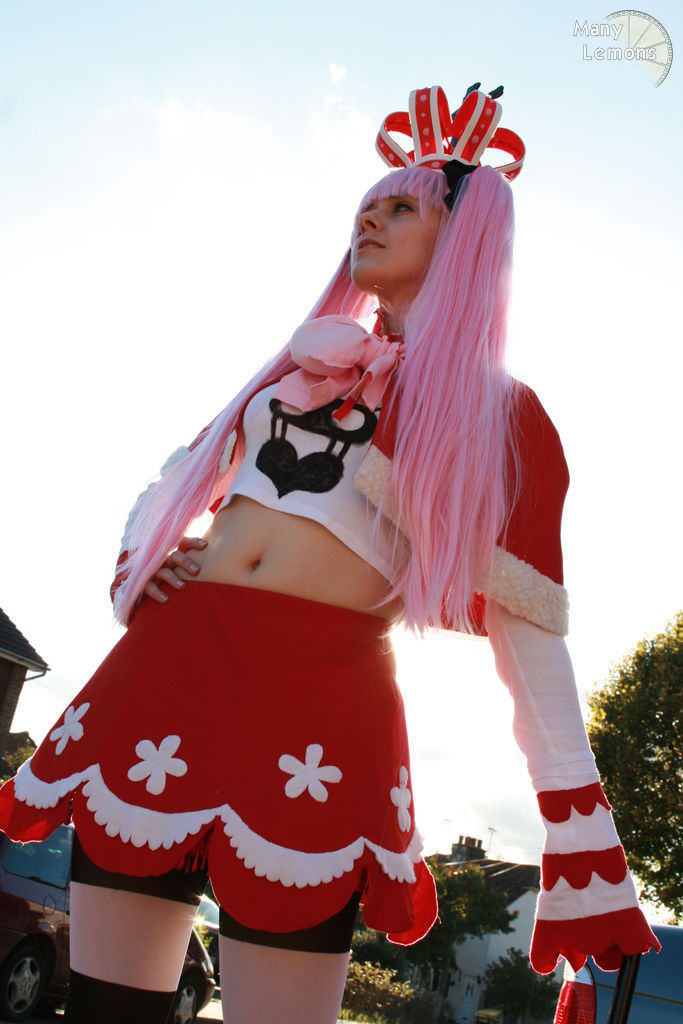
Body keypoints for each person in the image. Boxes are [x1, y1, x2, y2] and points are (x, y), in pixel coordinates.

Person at [0, 83, 660, 1024]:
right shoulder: (299, 366)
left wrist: (575, 824)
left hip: (316, 709)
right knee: (108, 1013)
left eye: (401, 208)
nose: (370, 220)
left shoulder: (496, 416)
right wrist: (143, 565)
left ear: (464, 238)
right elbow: (177, 476)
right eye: (367, 206)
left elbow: (528, 626)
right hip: (171, 674)